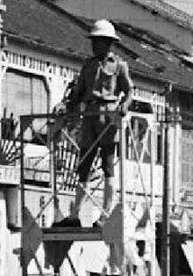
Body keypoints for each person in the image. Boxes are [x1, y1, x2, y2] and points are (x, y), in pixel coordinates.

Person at [51, 19, 133, 226]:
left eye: (100, 41)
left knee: (107, 164)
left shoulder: (119, 65)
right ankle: (75, 215)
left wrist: (124, 105)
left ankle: (106, 214)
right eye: (94, 41)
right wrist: (67, 106)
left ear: (109, 43)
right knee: (83, 165)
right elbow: (78, 92)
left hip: (108, 116)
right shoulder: (88, 65)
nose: (95, 45)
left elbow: (130, 90)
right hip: (88, 116)